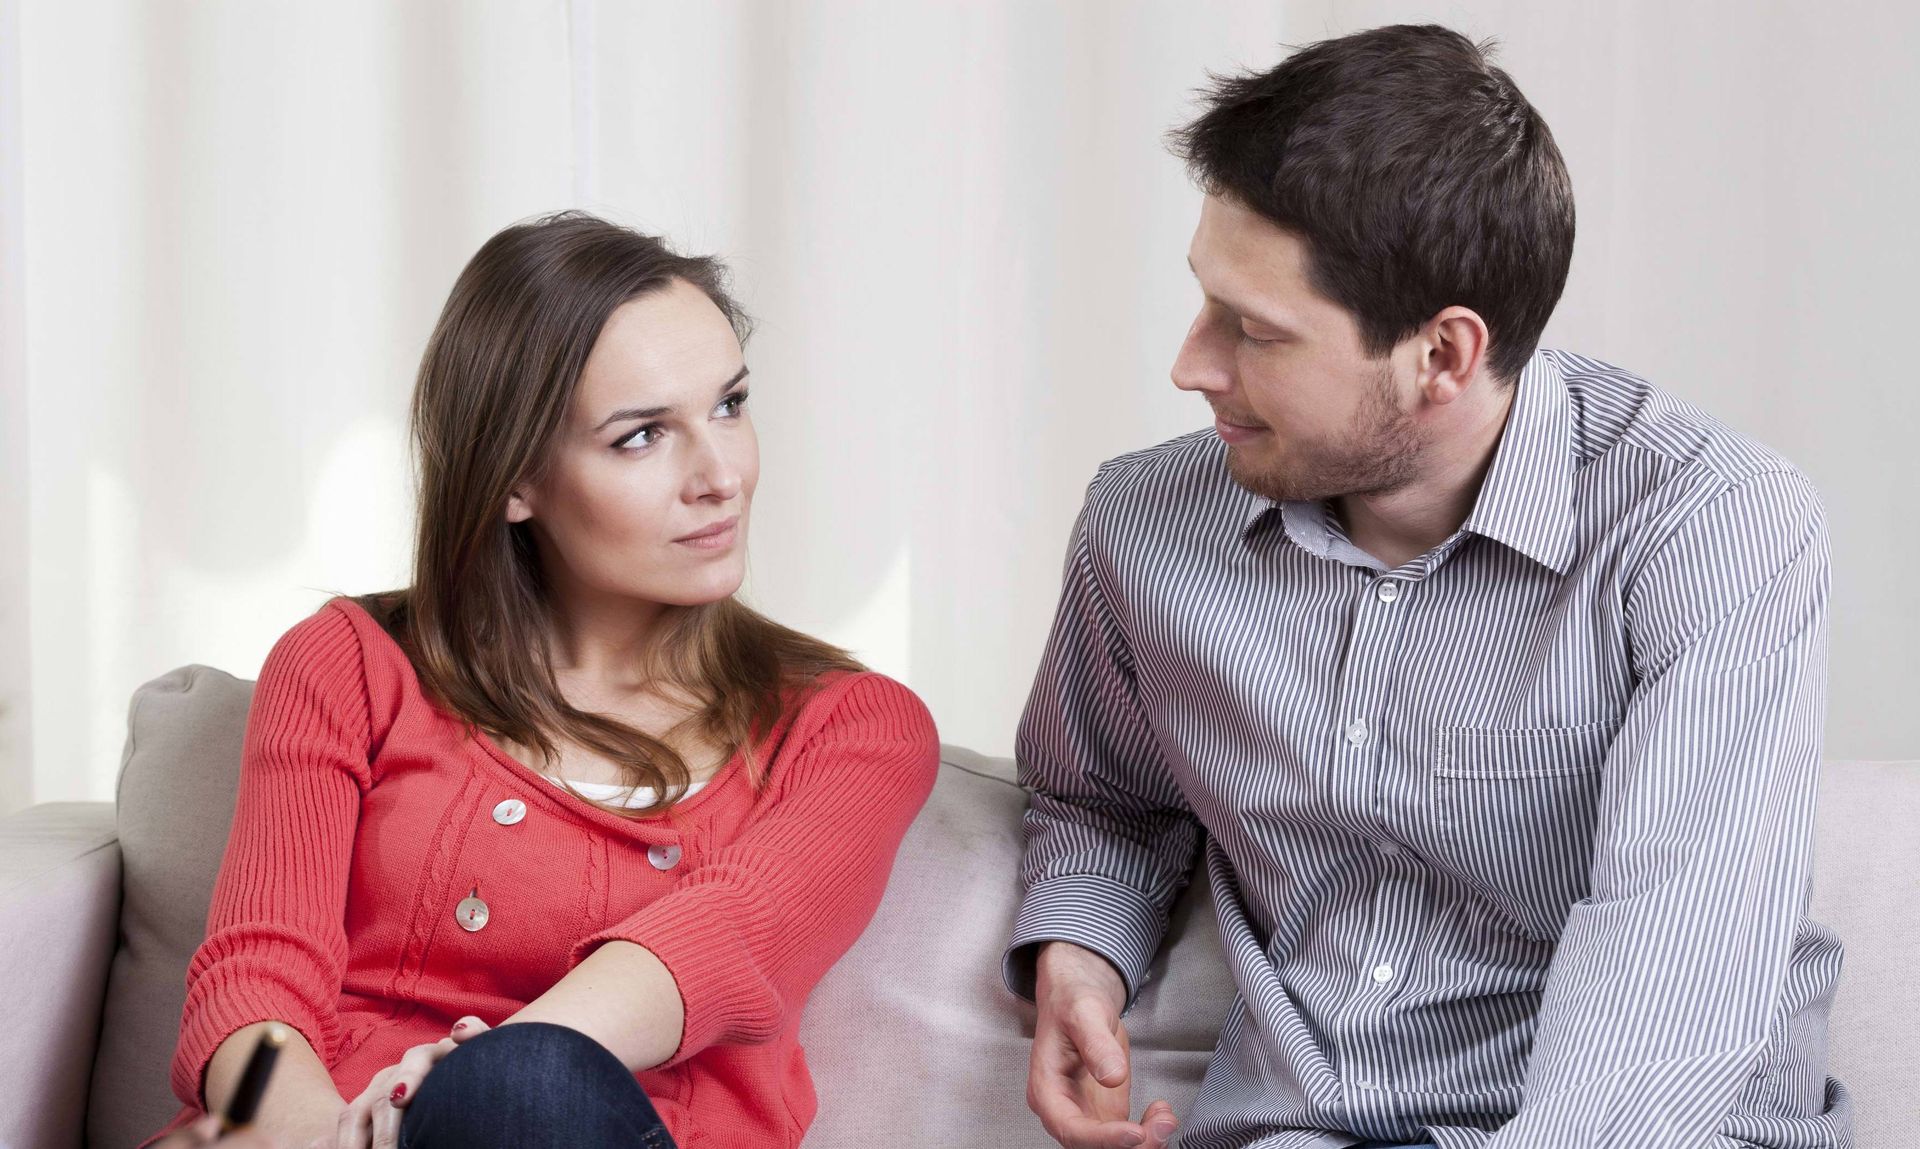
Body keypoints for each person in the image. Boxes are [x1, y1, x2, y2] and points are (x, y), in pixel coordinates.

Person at [1007, 24, 1848, 1149]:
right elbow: (1101, 801)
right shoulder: (1144, 527)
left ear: (1443, 357)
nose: (1191, 364)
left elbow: (1675, 976)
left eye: (1256, 332)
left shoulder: (1713, 528)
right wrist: (1081, 956)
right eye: (1209, 301)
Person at [148, 212, 940, 1149]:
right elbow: (258, 972)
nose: (721, 474)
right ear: (515, 478)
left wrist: (454, 1090)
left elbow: (727, 943)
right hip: (316, 1132)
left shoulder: (858, 728)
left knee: (524, 1090)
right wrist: (323, 1137)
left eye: (729, 404)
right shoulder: (346, 662)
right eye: (643, 435)